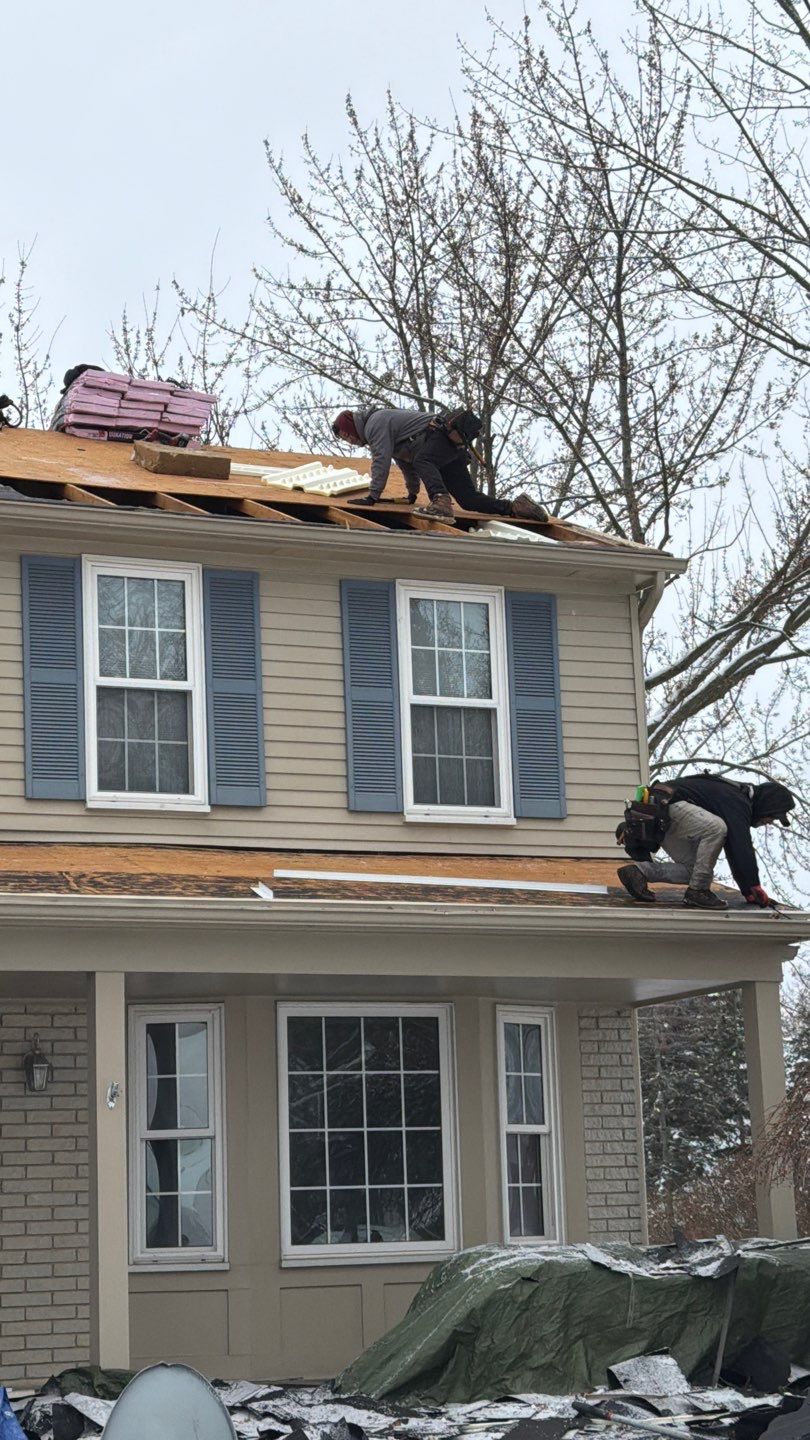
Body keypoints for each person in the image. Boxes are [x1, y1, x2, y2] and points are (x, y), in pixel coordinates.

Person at [331, 406, 548, 523]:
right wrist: (412, 494)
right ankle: (516, 507)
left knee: (423, 459)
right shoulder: (383, 428)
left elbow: (382, 460)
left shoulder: (374, 424)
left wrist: (372, 496)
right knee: (468, 500)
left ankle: (441, 502)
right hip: (447, 446)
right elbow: (405, 463)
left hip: (439, 438)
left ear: (352, 426)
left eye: (347, 436)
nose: (350, 441)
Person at [616, 774, 796, 911]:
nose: (769, 821)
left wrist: (748, 890)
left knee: (696, 872)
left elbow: (735, 847)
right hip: (667, 806)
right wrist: (753, 884)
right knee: (716, 828)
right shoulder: (738, 799)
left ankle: (639, 872)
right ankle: (698, 892)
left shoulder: (734, 798)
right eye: (771, 816)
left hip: (661, 813)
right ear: (766, 803)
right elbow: (740, 844)